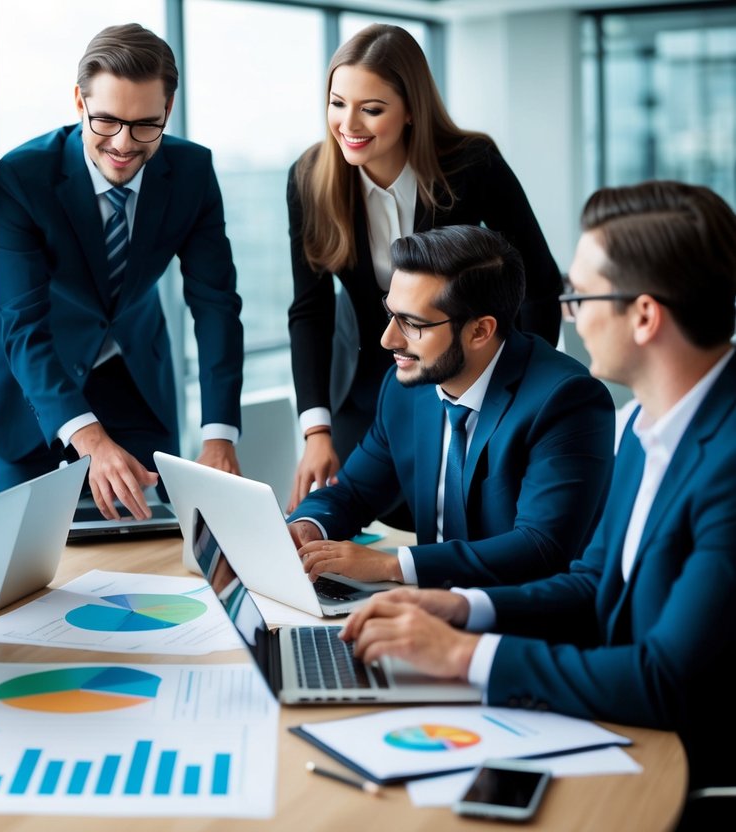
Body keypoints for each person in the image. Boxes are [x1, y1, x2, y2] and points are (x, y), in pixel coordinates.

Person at [339, 181, 736, 799]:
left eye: (578, 293)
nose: (567, 312)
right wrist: (461, 608)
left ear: (645, 315)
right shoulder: (641, 426)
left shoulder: (728, 461)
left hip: (684, 770)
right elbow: (591, 583)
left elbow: (666, 680)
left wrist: (465, 657)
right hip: (611, 723)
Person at [0, 24, 244, 520]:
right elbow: (22, 324)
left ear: (168, 110)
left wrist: (219, 434)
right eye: (106, 120)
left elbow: (215, 305)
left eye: (145, 125)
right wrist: (88, 438)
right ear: (78, 101)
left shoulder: (192, 172)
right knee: (37, 561)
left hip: (132, 378)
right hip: (30, 389)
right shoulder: (22, 178)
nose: (124, 144)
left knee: (162, 547)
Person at [287, 23, 562, 513]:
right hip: (364, 386)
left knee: (467, 518)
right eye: (337, 103)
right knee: (357, 517)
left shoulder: (470, 163)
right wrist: (316, 427)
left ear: (411, 109)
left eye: (371, 109)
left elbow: (538, 280)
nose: (349, 124)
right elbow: (309, 310)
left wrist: (522, 388)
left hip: (466, 374)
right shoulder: (310, 179)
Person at [287, 226, 613, 588]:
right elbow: (354, 492)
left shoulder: (567, 400)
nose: (388, 339)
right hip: (426, 610)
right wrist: (307, 526)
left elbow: (540, 548)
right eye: (392, 314)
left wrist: (392, 565)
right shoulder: (404, 389)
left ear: (480, 331)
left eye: (412, 323)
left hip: (519, 625)